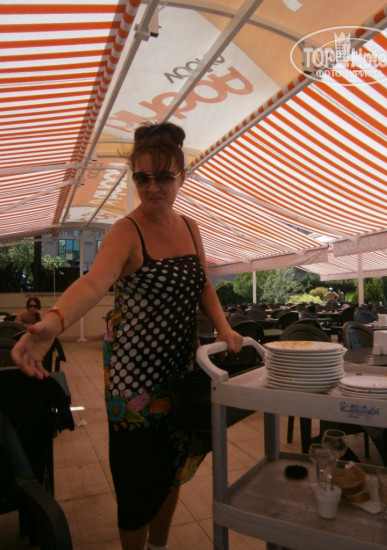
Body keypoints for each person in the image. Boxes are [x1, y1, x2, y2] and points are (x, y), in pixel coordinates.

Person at [11, 122, 243, 550]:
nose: (152, 187)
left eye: (163, 176)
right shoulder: (125, 231)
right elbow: (93, 283)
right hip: (133, 380)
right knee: (137, 479)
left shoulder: (191, 227)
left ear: (181, 176)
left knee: (172, 467)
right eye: (142, 177)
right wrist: (56, 321)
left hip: (181, 368)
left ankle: (159, 547)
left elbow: (204, 287)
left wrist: (225, 327)